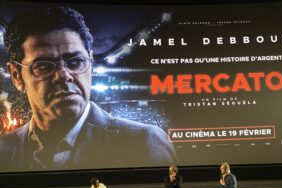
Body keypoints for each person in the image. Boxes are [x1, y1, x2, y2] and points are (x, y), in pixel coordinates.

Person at [0, 6, 175, 172]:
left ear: (90, 64)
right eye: (44, 66)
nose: (63, 75)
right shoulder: (3, 151)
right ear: (16, 76)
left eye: (75, 62)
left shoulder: (144, 142)